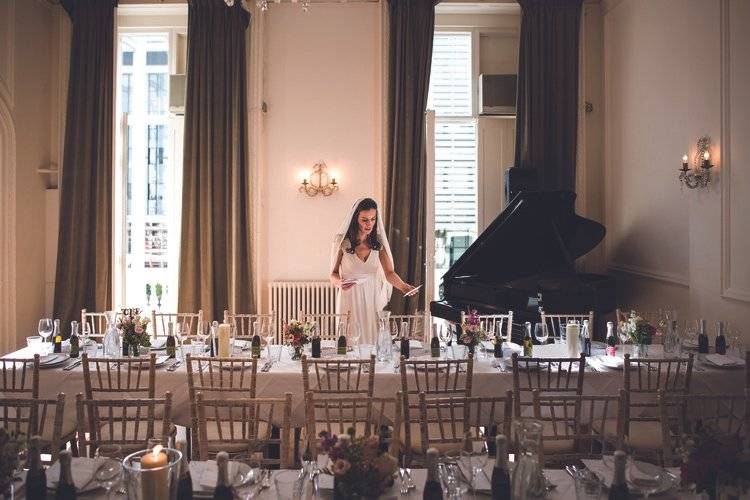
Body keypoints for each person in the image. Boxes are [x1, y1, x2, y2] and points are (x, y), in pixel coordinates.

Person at [330, 198, 416, 344]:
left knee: (374, 340)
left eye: (372, 219)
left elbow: (389, 273)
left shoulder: (378, 243)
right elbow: (333, 274)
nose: (369, 224)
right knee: (350, 340)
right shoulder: (342, 242)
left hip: (373, 297)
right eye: (364, 220)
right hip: (349, 296)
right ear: (355, 218)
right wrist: (340, 282)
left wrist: (404, 286)